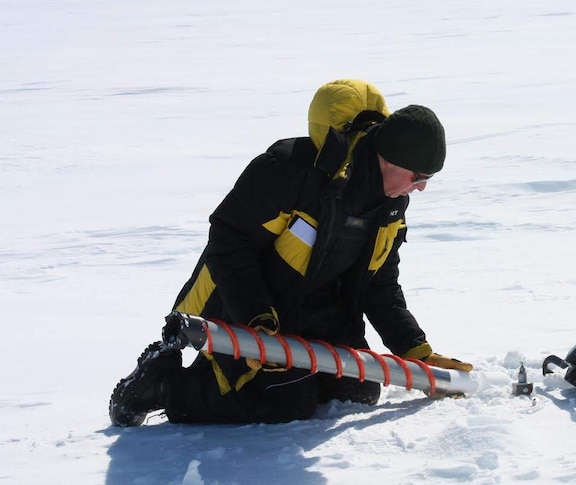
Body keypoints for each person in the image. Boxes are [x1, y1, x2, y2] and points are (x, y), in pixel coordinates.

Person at [109, 79, 472, 427]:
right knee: (283, 402)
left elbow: (380, 285)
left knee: (356, 392)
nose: (421, 188)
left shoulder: (389, 205)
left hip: (314, 312)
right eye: (419, 176)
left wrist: (415, 350)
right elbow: (228, 244)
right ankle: (159, 385)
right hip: (244, 306)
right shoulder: (290, 170)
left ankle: (272, 380)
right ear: (389, 159)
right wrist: (255, 318)